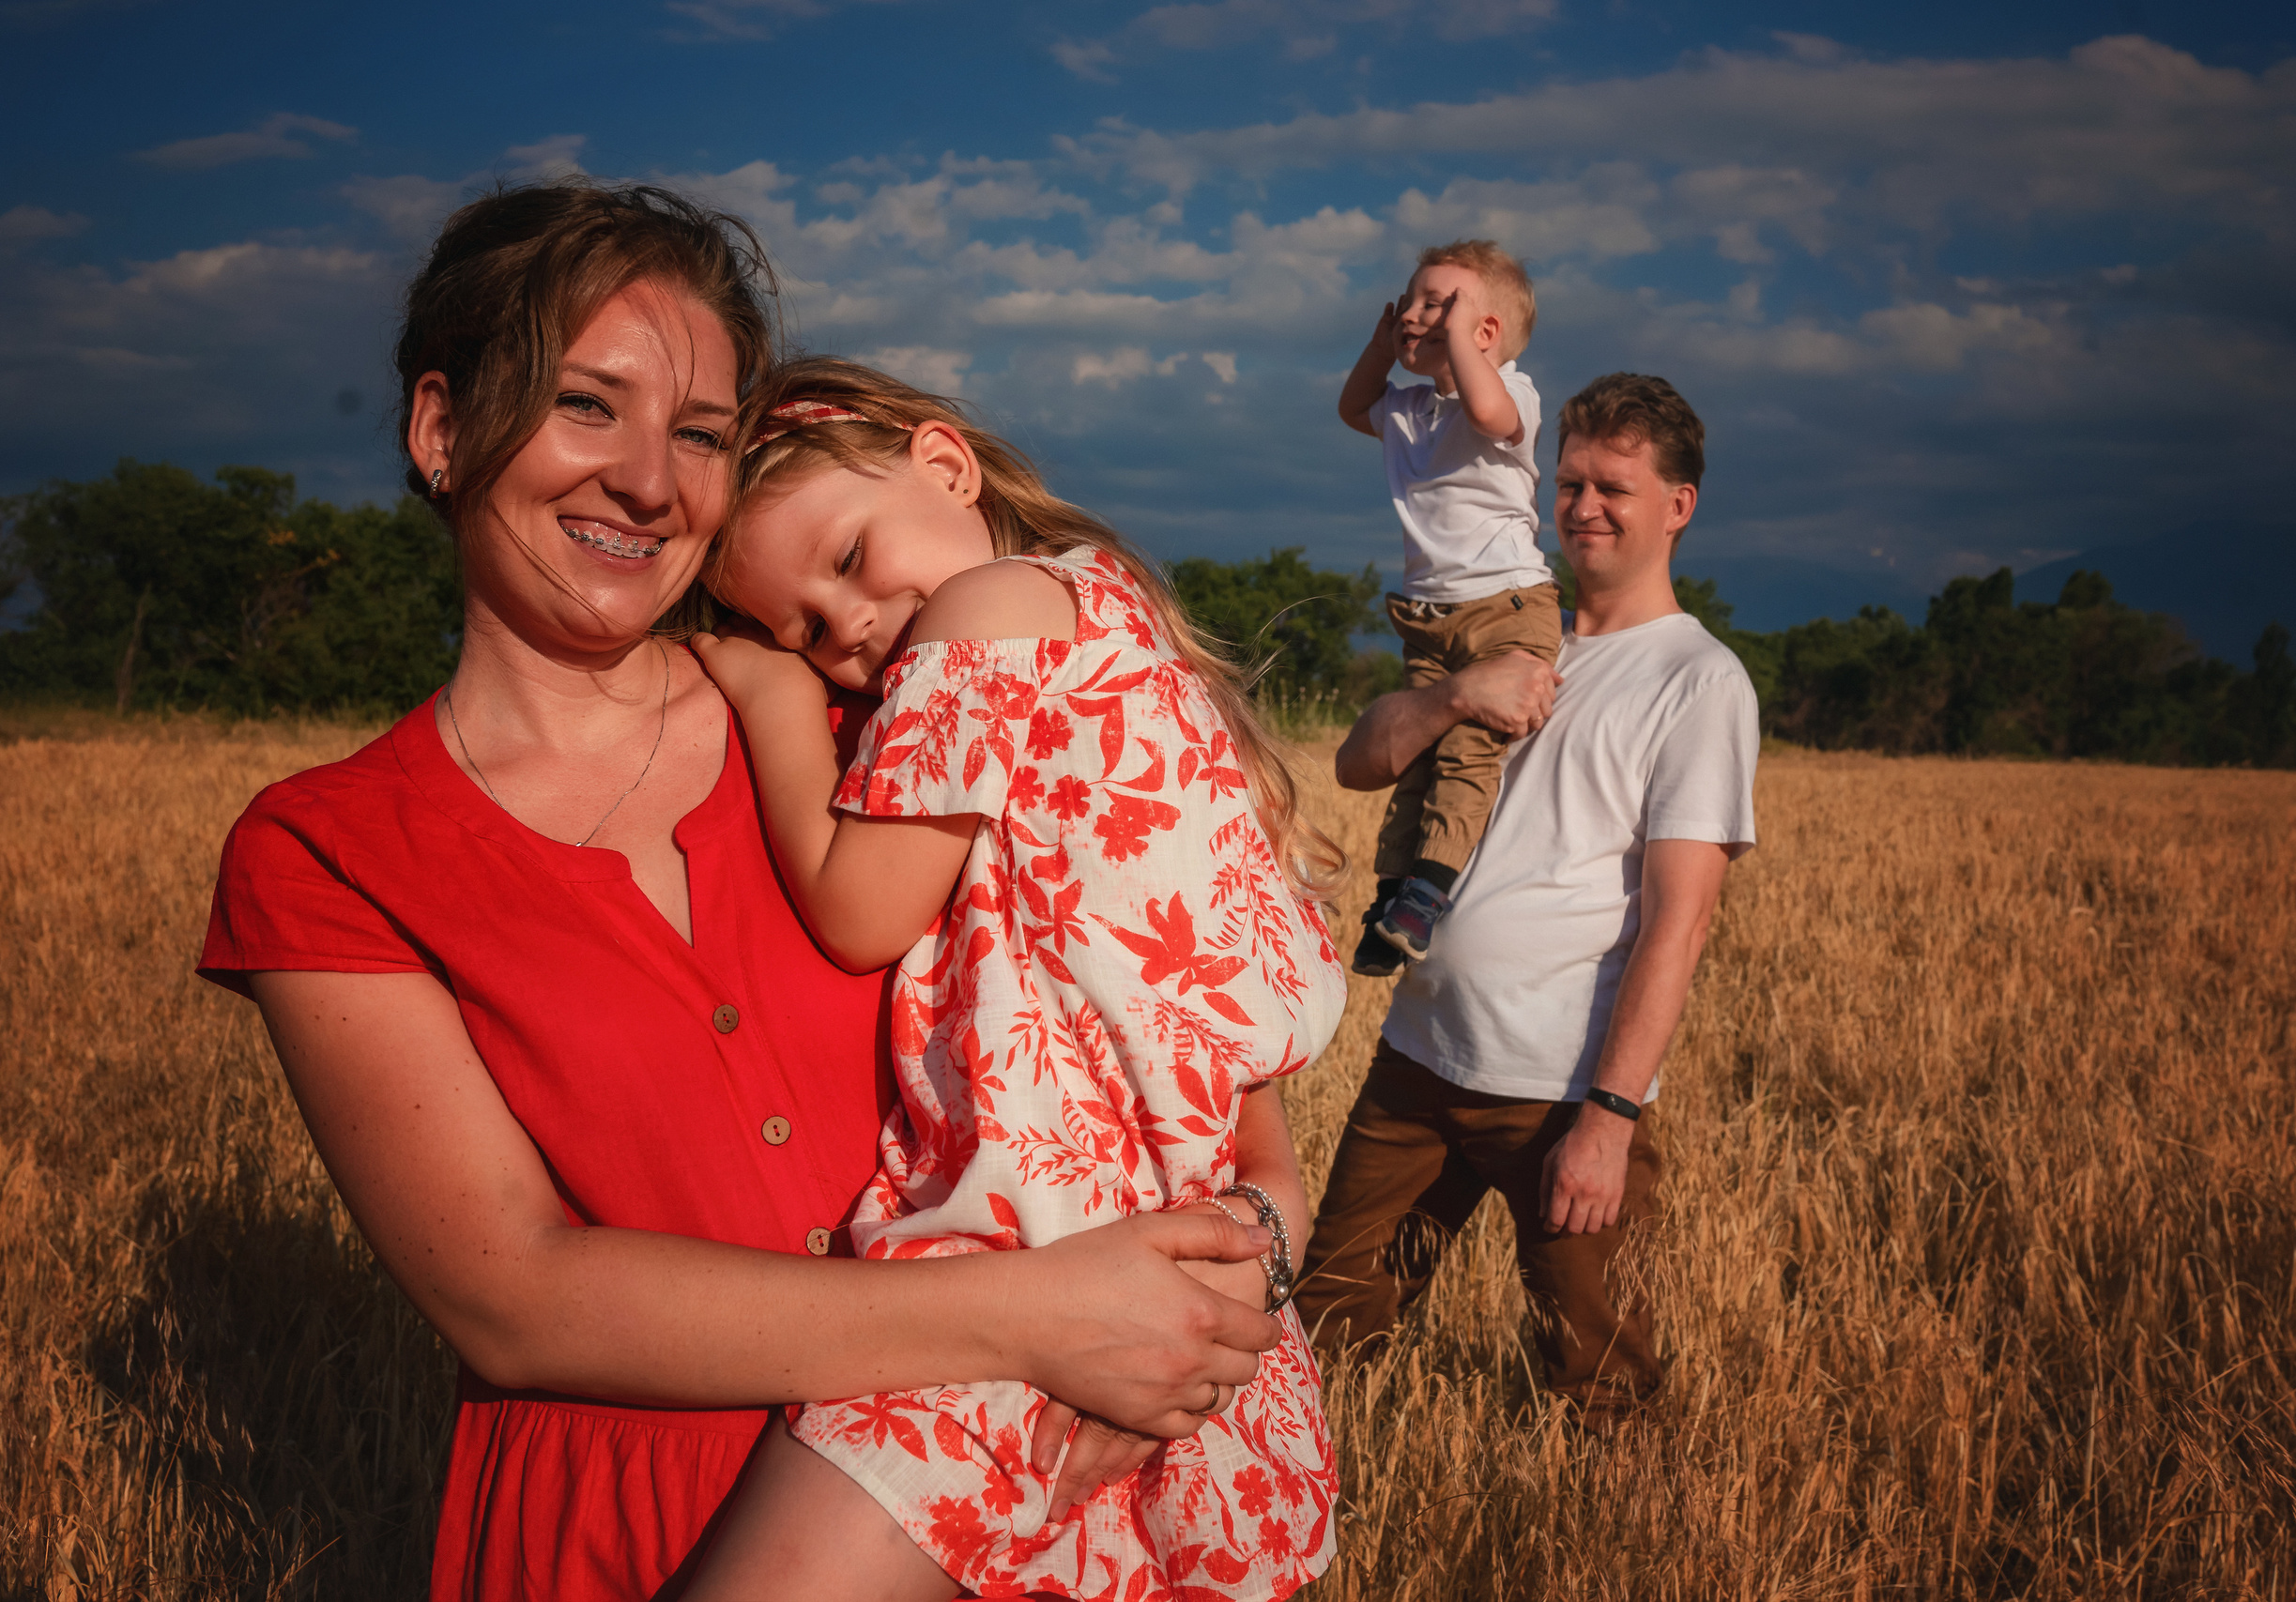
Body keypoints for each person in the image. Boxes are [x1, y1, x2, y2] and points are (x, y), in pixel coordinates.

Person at [195, 181, 1289, 1599]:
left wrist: (1227, 1282)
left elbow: (1216, 1085)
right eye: (587, 405)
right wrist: (1044, 1313)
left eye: (700, 434)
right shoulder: (330, 848)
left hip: (1021, 1499)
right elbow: (512, 1295)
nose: (651, 482)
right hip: (624, 1532)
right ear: (442, 428)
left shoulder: (886, 727)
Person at [681, 357, 1348, 1601]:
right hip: (1172, 1237)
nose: (846, 630)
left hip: (1033, 1240)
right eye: (800, 632)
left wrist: (769, 695)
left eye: (848, 557)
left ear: (946, 464)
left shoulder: (987, 610)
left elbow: (860, 908)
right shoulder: (1114, 618)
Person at [1296, 373, 1758, 1431]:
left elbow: (1679, 921)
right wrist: (1457, 692)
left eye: (1614, 488)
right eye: (1569, 482)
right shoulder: (1503, 630)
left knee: (1601, 1382)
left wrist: (1610, 1117)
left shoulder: (1697, 681)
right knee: (1325, 1332)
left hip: (1556, 1091)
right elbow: (1358, 762)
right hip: (1418, 1059)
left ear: (1678, 505)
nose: (1583, 507)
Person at [1335, 237, 1562, 974]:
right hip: (1428, 618)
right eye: (1409, 299)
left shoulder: (1513, 393)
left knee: (1469, 751)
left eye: (1438, 303)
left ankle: (1428, 892)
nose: (1412, 313)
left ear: (1484, 331)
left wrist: (1459, 339)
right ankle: (1392, 892)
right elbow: (1351, 406)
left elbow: (1491, 414)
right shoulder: (1407, 408)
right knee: (1418, 756)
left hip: (1507, 608)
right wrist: (1382, 347)